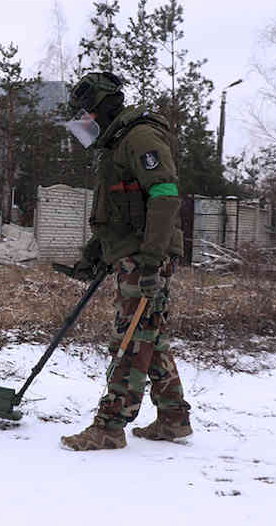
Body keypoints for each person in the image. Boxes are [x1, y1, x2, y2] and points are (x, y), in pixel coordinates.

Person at [58, 72, 192, 451]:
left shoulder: (140, 137)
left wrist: (150, 261)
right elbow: (117, 211)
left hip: (147, 256)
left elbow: (165, 196)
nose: (84, 125)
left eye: (87, 115)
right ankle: (173, 418)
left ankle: (110, 426)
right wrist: (96, 251)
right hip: (133, 253)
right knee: (150, 335)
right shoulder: (116, 143)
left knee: (132, 336)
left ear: (102, 108)